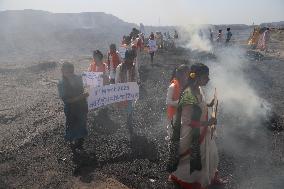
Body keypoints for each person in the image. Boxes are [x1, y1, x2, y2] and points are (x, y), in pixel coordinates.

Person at [168, 63, 226, 189]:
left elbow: (200, 105)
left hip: (203, 131)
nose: (209, 79)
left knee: (212, 155)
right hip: (193, 135)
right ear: (198, 77)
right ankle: (191, 181)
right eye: (206, 77)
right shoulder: (188, 94)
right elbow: (187, 121)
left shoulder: (198, 89)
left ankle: (210, 177)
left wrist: (209, 104)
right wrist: (207, 123)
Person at [58, 62, 89, 154]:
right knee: (72, 125)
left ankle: (79, 143)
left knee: (82, 124)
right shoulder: (61, 84)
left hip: (82, 107)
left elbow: (88, 86)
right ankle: (73, 143)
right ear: (62, 71)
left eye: (71, 72)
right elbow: (66, 100)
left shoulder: (79, 78)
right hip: (71, 109)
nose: (69, 74)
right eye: (67, 72)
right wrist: (81, 97)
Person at [115, 49, 140, 135]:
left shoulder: (134, 66)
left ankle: (129, 119)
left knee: (130, 106)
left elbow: (137, 76)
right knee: (124, 105)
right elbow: (117, 80)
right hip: (122, 91)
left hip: (131, 92)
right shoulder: (120, 67)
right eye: (130, 59)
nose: (131, 61)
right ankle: (128, 116)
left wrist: (138, 82)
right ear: (126, 58)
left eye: (132, 59)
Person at [166, 65, 190, 140]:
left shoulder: (185, 86)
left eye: (188, 75)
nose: (187, 77)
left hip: (182, 114)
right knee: (172, 133)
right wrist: (180, 102)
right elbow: (168, 101)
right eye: (185, 75)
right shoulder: (172, 86)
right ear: (180, 75)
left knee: (180, 132)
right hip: (173, 114)